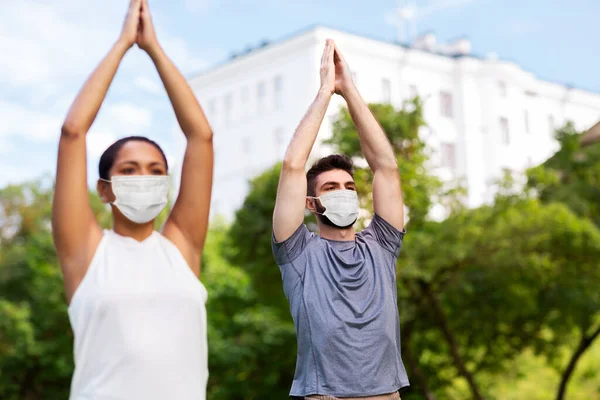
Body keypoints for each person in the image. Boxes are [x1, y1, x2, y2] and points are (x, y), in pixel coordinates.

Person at [51, 0, 213, 399]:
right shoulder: (87, 254)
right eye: (129, 169)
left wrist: (155, 49)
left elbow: (201, 138)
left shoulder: (181, 248)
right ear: (104, 188)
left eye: (156, 170)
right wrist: (125, 44)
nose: (145, 177)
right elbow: (73, 132)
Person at [272, 39, 410, 400]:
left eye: (349, 185)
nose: (343, 191)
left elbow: (386, 167)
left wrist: (349, 90)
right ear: (312, 203)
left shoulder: (380, 246)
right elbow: (292, 166)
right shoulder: (299, 253)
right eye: (331, 187)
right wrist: (324, 92)